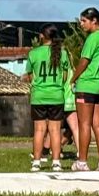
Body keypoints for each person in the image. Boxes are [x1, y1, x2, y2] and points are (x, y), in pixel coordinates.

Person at [23, 24, 70, 172]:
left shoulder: (34, 53)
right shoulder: (63, 53)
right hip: (56, 96)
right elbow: (64, 76)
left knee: (39, 130)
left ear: (42, 35)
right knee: (55, 130)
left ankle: (36, 162)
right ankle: (56, 161)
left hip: (39, 96)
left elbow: (29, 76)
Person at [70, 7, 99, 172]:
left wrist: (73, 78)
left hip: (88, 84)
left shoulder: (93, 37)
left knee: (84, 124)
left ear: (94, 20)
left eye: (84, 21)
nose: (81, 24)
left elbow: (84, 61)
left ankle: (82, 161)